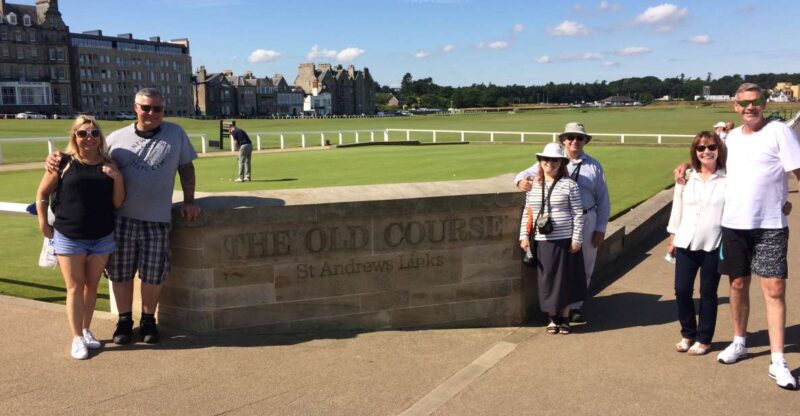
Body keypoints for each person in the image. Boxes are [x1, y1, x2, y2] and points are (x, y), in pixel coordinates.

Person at [47, 88, 201, 345]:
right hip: (120, 219)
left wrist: (189, 201)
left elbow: (186, 167)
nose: (151, 113)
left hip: (157, 219)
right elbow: (87, 153)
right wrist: (55, 158)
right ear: (135, 108)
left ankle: (149, 320)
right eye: (146, 107)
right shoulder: (117, 138)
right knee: (120, 273)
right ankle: (125, 320)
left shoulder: (176, 133)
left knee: (154, 274)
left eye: (157, 109)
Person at [674, 82, 800, 390]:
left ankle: (778, 360)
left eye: (755, 101)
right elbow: (707, 158)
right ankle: (740, 341)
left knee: (773, 289)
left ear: (764, 103)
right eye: (744, 103)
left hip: (769, 224)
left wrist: (785, 199)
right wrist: (685, 166)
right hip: (733, 225)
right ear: (735, 106)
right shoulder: (729, 139)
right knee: (737, 284)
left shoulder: (780, 132)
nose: (750, 107)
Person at [36, 116, 126, 359]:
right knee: (74, 287)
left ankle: (86, 330)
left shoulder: (109, 164)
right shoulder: (63, 162)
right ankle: (76, 338)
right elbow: (42, 193)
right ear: (74, 136)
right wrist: (43, 223)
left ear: (101, 137)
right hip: (70, 236)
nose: (89, 138)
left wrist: (116, 177)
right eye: (82, 133)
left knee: (91, 286)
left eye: (94, 133)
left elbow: (118, 202)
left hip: (102, 236)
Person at [515, 122, 610, 324]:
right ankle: (560, 310)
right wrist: (520, 181)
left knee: (584, 266)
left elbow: (603, 199)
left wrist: (600, 228)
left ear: (585, 141)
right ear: (563, 140)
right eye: (570, 137)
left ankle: (575, 307)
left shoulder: (594, 165)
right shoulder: (553, 159)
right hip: (557, 225)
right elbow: (525, 174)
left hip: (586, 217)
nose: (574, 141)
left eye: (579, 137)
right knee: (561, 269)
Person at [667, 131, 726, 356]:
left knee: (708, 292)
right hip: (685, 242)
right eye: (701, 148)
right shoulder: (686, 177)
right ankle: (688, 333)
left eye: (711, 147)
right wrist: (672, 237)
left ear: (719, 149)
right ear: (695, 152)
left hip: (714, 243)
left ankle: (704, 338)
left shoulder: (727, 178)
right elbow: (677, 208)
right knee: (682, 290)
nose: (706, 152)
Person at [519, 142, 585, 334]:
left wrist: (576, 239)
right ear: (540, 161)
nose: (550, 163)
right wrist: (523, 235)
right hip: (542, 240)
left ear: (561, 163)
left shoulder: (569, 185)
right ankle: (551, 317)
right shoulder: (533, 185)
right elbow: (528, 212)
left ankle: (564, 317)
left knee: (565, 279)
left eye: (554, 160)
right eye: (546, 159)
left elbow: (577, 214)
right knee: (546, 278)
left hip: (565, 239)